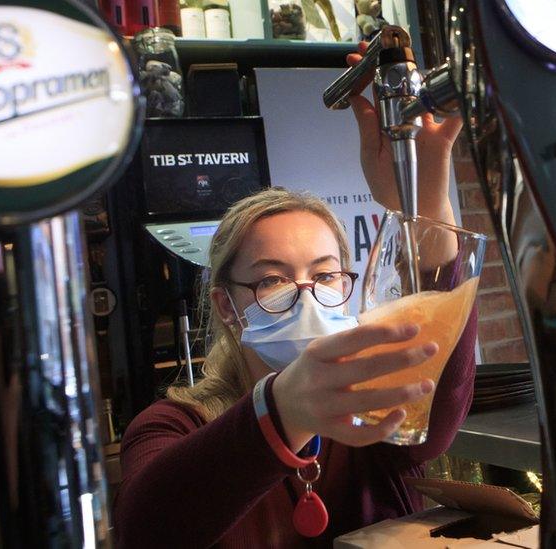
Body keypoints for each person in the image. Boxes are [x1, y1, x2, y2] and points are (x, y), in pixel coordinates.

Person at [114, 43, 472, 548]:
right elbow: (146, 530)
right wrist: (285, 411)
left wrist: (427, 196)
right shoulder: (173, 426)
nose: (306, 297)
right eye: (273, 279)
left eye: (325, 276)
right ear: (227, 306)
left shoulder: (368, 415)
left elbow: (436, 414)